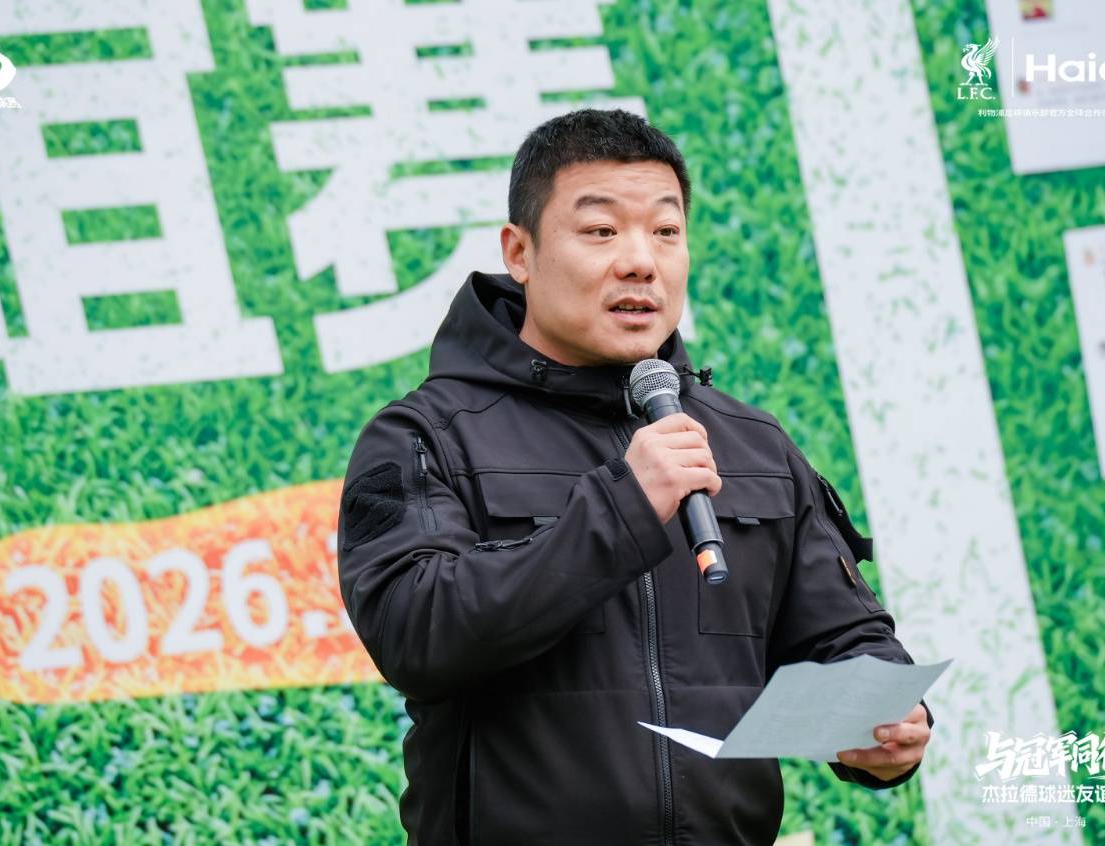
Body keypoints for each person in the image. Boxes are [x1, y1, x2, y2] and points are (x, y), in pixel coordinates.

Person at [337, 108, 934, 845]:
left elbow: (844, 636)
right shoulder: (423, 436)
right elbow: (416, 633)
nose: (640, 262)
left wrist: (886, 723)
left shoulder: (752, 442)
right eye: (601, 231)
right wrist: (624, 507)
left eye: (665, 231)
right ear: (519, 252)